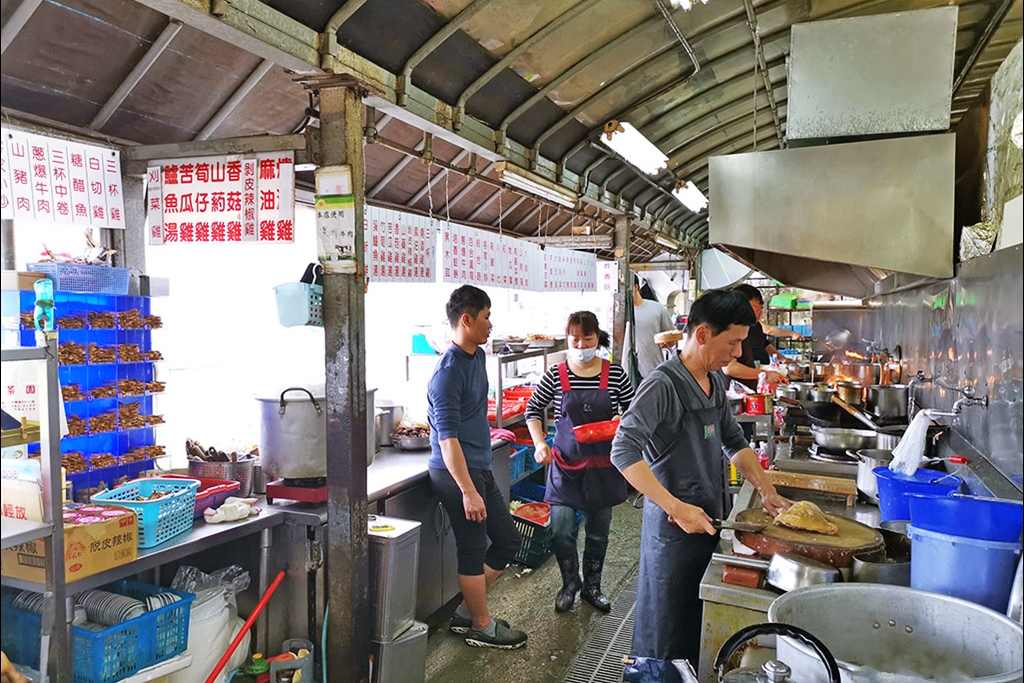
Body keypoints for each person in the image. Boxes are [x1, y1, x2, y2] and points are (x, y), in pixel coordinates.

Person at [609, 288, 791, 665]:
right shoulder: (663, 384)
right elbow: (623, 451)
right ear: (703, 334)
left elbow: (733, 440)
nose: (738, 353)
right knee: (666, 630)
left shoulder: (715, 381)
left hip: (708, 520)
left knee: (695, 624)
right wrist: (676, 507)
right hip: (674, 533)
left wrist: (767, 490)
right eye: (734, 342)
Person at [427, 285, 527, 649]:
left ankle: (467, 612)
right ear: (466, 320)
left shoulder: (478, 357)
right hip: (457, 474)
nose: (490, 324)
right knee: (471, 550)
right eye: (486, 317)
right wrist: (468, 491)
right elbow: (447, 439)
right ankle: (481, 626)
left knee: (507, 540)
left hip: (479, 466)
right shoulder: (447, 372)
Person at [524, 311, 636, 614]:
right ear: (567, 338)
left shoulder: (614, 374)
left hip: (604, 467)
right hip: (566, 467)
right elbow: (532, 411)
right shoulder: (555, 374)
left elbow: (634, 410)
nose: (581, 343)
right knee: (561, 531)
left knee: (598, 533)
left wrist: (622, 418)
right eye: (575, 338)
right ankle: (569, 582)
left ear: (597, 338)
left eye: (587, 338)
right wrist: (538, 443)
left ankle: (592, 587)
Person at [725, 284, 803, 390]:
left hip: (752, 389)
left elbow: (765, 344)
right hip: (735, 392)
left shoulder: (754, 326)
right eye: (755, 307)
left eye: (760, 308)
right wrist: (764, 373)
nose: (759, 312)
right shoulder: (730, 328)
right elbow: (729, 368)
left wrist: (781, 362)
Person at [622, 272, 677, 379]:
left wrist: (670, 342)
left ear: (635, 287)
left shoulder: (657, 309)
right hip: (625, 374)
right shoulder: (617, 314)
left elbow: (672, 336)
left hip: (653, 371)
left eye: (624, 288)